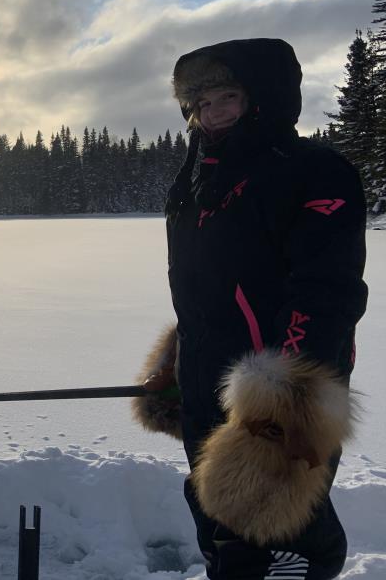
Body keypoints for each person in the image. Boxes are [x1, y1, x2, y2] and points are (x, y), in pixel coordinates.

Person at [132, 38, 369, 580]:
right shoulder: (196, 179)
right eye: (197, 106)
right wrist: (178, 358)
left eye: (226, 98)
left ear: (263, 97)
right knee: (216, 523)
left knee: (277, 541)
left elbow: (328, 294)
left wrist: (281, 408)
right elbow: (206, 289)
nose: (209, 117)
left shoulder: (315, 171)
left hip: (282, 390)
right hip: (204, 376)